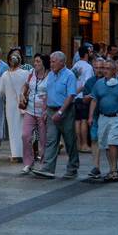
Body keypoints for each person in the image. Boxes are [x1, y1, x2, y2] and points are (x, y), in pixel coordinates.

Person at [32, 51, 79, 179]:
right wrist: (45, 110)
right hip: (51, 110)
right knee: (51, 140)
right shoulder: (51, 75)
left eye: (53, 61)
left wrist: (60, 112)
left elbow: (71, 95)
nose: (51, 64)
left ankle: (73, 168)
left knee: (69, 140)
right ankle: (48, 168)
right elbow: (48, 93)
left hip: (65, 111)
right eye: (51, 61)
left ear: (62, 62)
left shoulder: (69, 75)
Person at [86, 58, 118, 182]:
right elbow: (94, 100)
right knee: (107, 144)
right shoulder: (99, 83)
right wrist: (90, 117)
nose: (104, 71)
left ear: (114, 71)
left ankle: (114, 170)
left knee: (113, 142)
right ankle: (113, 168)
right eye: (104, 68)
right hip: (103, 117)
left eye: (108, 69)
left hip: (117, 117)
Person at [20, 52, 48, 173]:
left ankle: (44, 163)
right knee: (25, 135)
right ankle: (28, 163)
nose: (35, 64)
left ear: (43, 64)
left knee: (43, 139)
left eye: (38, 62)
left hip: (43, 111)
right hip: (30, 109)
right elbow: (25, 86)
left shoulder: (50, 76)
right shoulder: (31, 73)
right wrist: (22, 94)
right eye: (35, 61)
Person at [0, 50, 27, 162]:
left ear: (9, 61)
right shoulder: (26, 73)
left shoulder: (5, 75)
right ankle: (25, 153)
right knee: (23, 129)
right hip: (23, 105)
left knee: (13, 130)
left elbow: (1, 92)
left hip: (10, 106)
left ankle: (15, 155)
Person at [73, 44, 95, 155]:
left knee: (77, 121)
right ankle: (84, 144)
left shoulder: (75, 65)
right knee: (84, 121)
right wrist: (78, 92)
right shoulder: (88, 67)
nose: (91, 54)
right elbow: (87, 84)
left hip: (75, 98)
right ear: (86, 54)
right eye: (90, 52)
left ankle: (78, 144)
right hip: (83, 97)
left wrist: (73, 93)